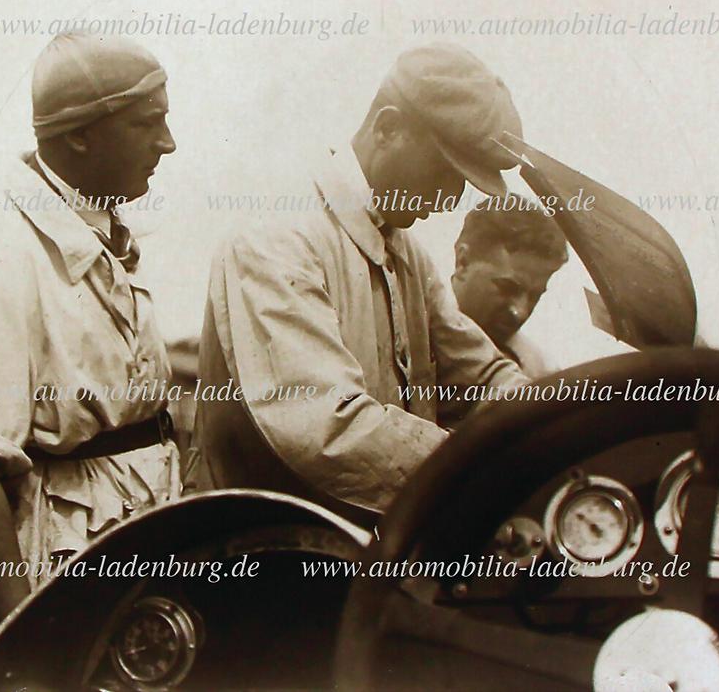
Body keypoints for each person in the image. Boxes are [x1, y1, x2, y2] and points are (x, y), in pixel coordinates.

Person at [0, 33, 180, 689]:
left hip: (116, 573)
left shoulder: (101, 235)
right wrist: (28, 656)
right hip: (40, 585)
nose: (167, 143)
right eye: (147, 123)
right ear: (79, 136)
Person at [192, 43, 532, 525]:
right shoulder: (278, 233)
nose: (451, 198)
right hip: (261, 545)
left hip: (363, 543)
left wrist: (552, 429)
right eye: (445, 171)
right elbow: (325, 426)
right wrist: (481, 470)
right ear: (388, 128)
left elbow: (482, 375)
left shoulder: (403, 250)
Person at [451, 195, 569, 377]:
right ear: (463, 262)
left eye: (535, 296)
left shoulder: (539, 373)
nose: (520, 312)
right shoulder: (410, 329)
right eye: (508, 288)